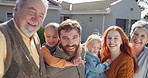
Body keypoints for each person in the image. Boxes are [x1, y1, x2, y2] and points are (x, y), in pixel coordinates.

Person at [0, 0, 48, 77]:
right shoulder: (2, 36)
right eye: (31, 12)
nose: (35, 19)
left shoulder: (35, 36)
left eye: (41, 16)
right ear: (16, 9)